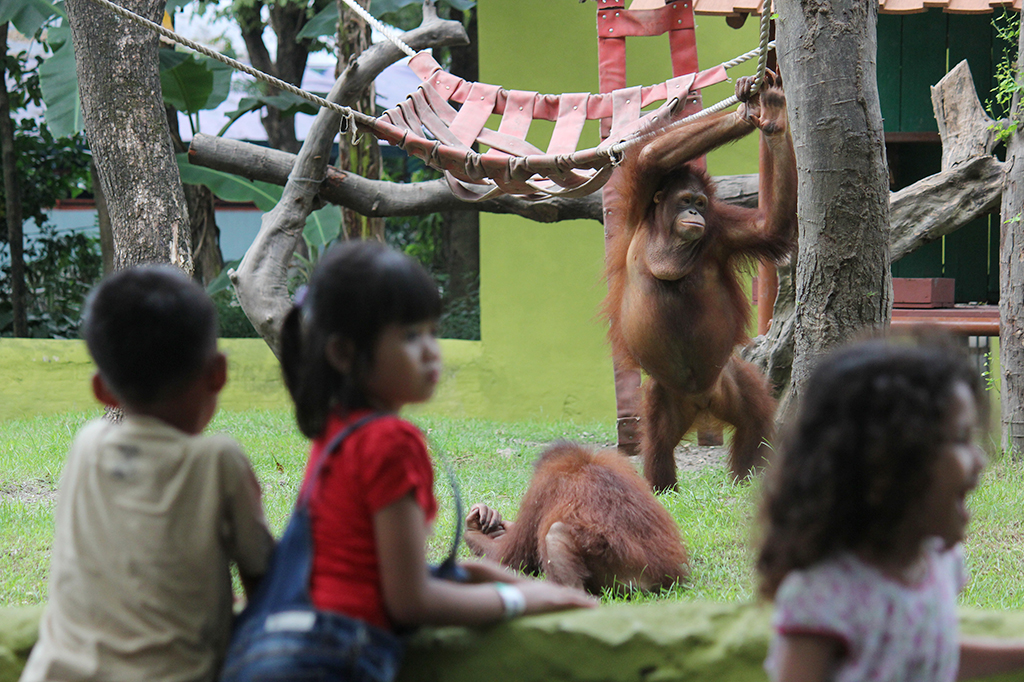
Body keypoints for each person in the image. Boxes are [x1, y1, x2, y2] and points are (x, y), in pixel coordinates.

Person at [220, 241, 595, 682]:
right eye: (411, 336)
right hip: (334, 659)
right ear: (344, 353)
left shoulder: (339, 432)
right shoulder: (390, 441)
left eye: (432, 332)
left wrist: (512, 582)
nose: (431, 350)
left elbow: (383, 569)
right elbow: (410, 601)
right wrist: (523, 600)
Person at [20, 266, 275, 682]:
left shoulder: (87, 446)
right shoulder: (217, 460)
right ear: (218, 373)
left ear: (102, 390)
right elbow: (263, 577)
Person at [757, 332, 1024, 682]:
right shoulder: (825, 597)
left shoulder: (938, 564)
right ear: (888, 465)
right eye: (961, 439)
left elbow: (931, 656)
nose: (980, 460)